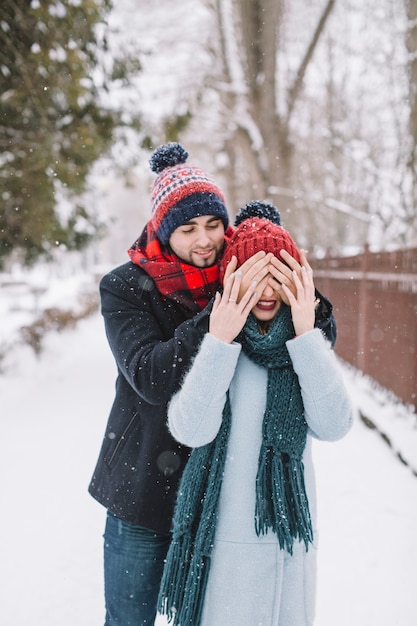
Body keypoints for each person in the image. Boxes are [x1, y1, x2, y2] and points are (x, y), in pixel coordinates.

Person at [88, 142, 337, 625]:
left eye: (213, 225)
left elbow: (312, 325)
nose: (204, 241)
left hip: (217, 500)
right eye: (187, 229)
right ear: (163, 231)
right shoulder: (124, 287)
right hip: (145, 492)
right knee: (129, 619)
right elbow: (151, 376)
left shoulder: (240, 266)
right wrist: (217, 317)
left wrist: (307, 310)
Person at [158, 202, 353, 626]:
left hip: (287, 545)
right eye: (253, 279)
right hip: (224, 547)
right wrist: (219, 341)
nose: (266, 292)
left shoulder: (304, 348)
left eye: (277, 278)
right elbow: (190, 429)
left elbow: (335, 426)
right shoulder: (220, 344)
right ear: (232, 283)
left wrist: (306, 333)